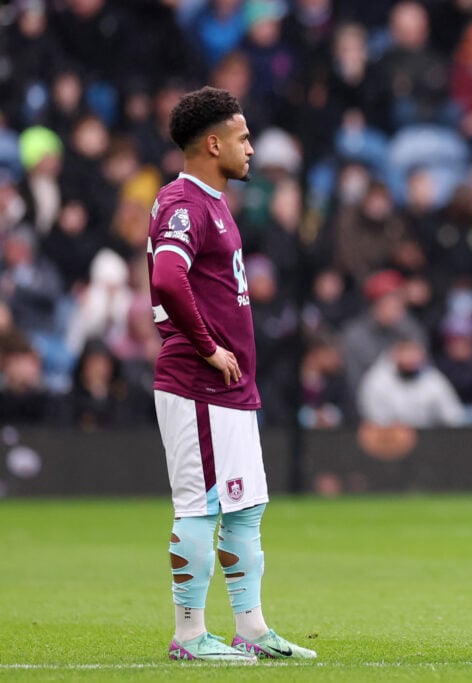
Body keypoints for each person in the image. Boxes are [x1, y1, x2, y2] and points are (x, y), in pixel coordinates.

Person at [146, 86, 315, 662]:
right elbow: (168, 279)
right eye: (243, 138)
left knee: (245, 507)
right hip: (197, 383)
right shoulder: (184, 204)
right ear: (212, 143)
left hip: (229, 389)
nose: (252, 147)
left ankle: (251, 628)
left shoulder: (213, 201)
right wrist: (210, 347)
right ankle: (190, 635)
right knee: (201, 507)